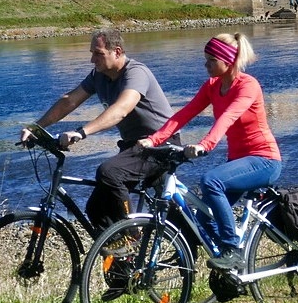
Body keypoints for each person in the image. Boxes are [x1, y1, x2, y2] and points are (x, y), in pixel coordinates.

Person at [139, 32, 281, 271]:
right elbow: (184, 114)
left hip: (264, 160)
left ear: (229, 61)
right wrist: (154, 140)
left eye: (211, 60)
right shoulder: (213, 86)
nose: (205, 65)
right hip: (239, 160)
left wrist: (206, 144)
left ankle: (232, 250)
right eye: (206, 59)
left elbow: (228, 117)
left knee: (211, 181)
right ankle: (231, 274)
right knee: (204, 218)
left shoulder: (248, 85)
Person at [20, 28, 179, 233]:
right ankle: (120, 261)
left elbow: (120, 110)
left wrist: (82, 132)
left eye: (98, 53)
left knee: (109, 172)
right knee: (96, 209)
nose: (92, 60)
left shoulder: (136, 73)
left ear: (117, 51)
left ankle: (131, 236)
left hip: (160, 144)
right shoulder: (99, 76)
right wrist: (36, 127)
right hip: (134, 147)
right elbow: (70, 101)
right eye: (92, 53)